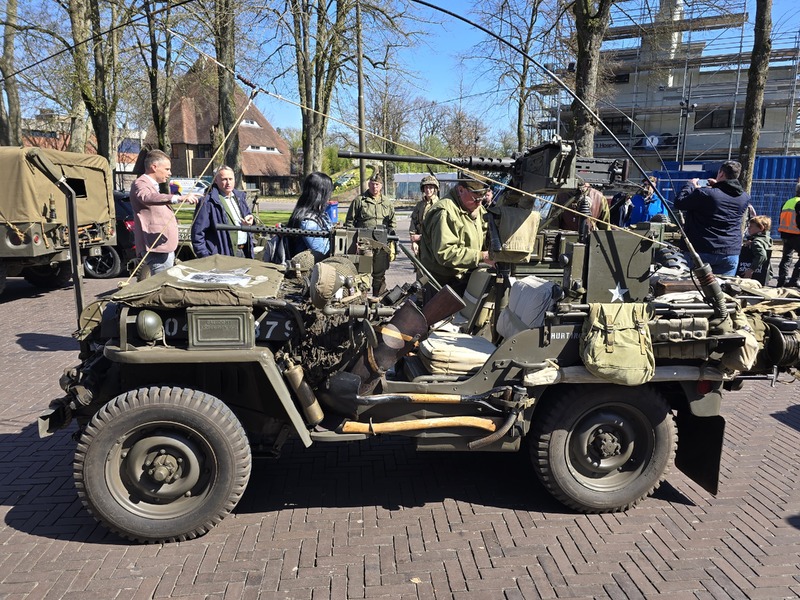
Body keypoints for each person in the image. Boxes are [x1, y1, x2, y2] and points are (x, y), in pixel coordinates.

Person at [418, 173, 495, 302]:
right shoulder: (445, 212)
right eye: (476, 199)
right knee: (439, 321)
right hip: (442, 284)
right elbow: (445, 253)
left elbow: (484, 234)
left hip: (464, 279)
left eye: (482, 199)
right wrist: (482, 256)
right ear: (460, 190)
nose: (479, 204)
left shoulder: (476, 208)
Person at [673, 160, 750, 276]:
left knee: (691, 288)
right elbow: (724, 199)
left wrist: (690, 185)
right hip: (730, 251)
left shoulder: (704, 193)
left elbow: (679, 203)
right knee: (723, 289)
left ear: (721, 173)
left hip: (701, 249)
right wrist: (717, 186)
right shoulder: (744, 197)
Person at [130, 149, 198, 276]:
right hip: (155, 246)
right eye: (167, 169)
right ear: (154, 167)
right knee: (161, 282)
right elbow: (146, 197)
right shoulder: (140, 183)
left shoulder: (151, 185)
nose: (170, 173)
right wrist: (177, 198)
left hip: (162, 245)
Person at [344, 171, 396, 295]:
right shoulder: (359, 201)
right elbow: (349, 223)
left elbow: (392, 223)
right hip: (364, 243)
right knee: (364, 272)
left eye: (377, 184)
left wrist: (391, 242)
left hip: (381, 244)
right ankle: (362, 298)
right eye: (372, 184)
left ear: (381, 186)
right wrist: (352, 242)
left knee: (380, 273)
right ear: (368, 184)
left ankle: (377, 299)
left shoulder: (387, 203)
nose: (374, 187)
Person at [191, 166, 255, 258]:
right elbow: (197, 233)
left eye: (230, 179)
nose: (228, 183)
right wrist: (206, 257)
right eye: (224, 179)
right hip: (221, 255)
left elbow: (249, 219)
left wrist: (250, 220)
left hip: (244, 252)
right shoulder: (207, 201)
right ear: (216, 181)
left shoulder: (240, 198)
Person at [287, 171, 334, 261]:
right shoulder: (308, 222)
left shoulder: (318, 215)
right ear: (320, 194)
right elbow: (321, 252)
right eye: (328, 193)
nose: (329, 197)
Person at [409, 174, 440, 256]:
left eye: (431, 187)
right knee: (419, 267)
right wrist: (414, 241)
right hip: (420, 246)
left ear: (435, 189)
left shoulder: (439, 205)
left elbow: (440, 229)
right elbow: (414, 223)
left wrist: (421, 237)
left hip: (434, 245)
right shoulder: (420, 205)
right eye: (426, 187)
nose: (428, 190)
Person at [776, 183, 800, 287]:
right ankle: (794, 280)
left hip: (785, 234)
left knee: (786, 258)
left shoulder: (788, 202)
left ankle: (782, 281)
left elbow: (780, 219)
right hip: (797, 235)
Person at [737, 215, 773, 284]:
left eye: (751, 226)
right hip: (765, 274)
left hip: (754, 275)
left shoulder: (756, 242)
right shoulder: (766, 239)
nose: (749, 228)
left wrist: (751, 270)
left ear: (761, 228)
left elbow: (762, 256)